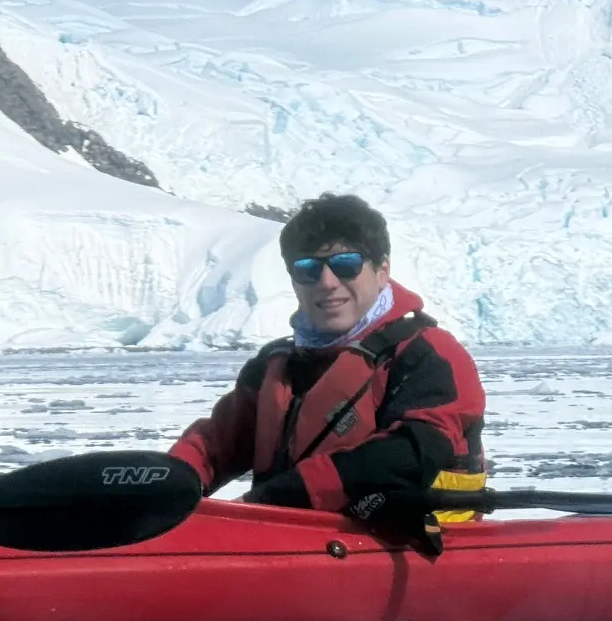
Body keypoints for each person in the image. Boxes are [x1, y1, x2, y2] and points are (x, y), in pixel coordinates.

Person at [171, 194, 485, 549]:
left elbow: (417, 449)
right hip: (288, 540)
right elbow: (215, 443)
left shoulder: (427, 353)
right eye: (307, 269)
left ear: (382, 270)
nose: (326, 281)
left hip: (402, 550)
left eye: (346, 264)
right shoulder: (276, 366)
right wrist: (166, 483)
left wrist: (282, 495)